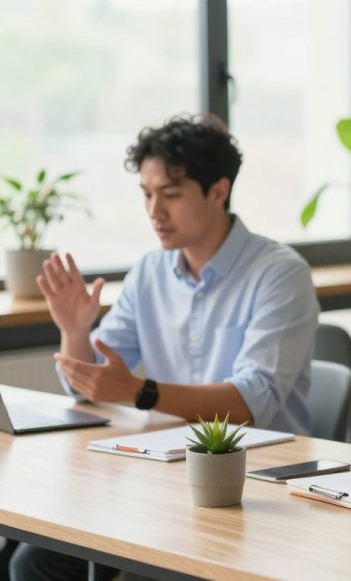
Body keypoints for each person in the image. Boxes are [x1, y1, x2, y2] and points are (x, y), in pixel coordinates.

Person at [7, 114, 319, 581]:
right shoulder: (151, 270)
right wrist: (74, 331)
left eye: (171, 195)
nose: (154, 211)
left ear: (219, 191)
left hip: (254, 482)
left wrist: (139, 392)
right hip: (163, 473)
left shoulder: (279, 273)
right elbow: (97, 384)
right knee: (33, 560)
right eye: (147, 194)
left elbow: (250, 401)